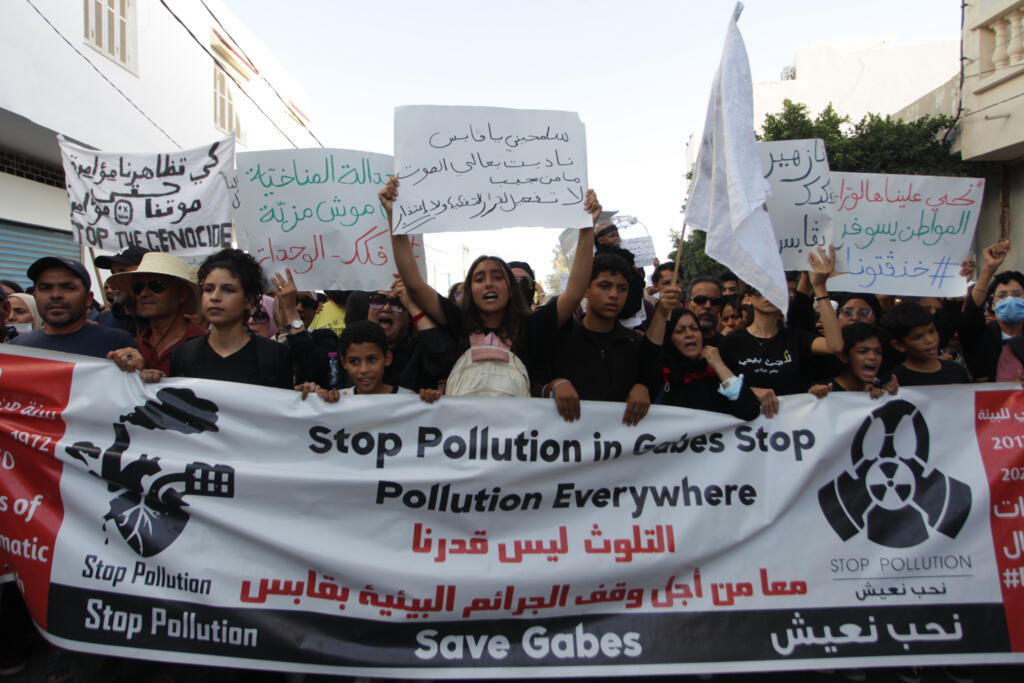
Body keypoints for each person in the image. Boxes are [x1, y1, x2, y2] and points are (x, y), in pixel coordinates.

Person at [381, 177, 602, 396]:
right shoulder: (459, 322)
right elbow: (415, 284)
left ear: (511, 290)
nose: (488, 283)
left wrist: (586, 229)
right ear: (470, 291)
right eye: (478, 279)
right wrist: (395, 218)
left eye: (497, 277)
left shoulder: (533, 326)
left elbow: (573, 293)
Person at [719, 246, 843, 417]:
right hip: (748, 436)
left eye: (776, 289)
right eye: (761, 290)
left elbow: (835, 346)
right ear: (748, 298)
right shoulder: (730, 343)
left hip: (791, 432)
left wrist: (820, 287)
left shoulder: (795, 338)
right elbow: (718, 389)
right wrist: (749, 391)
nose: (768, 295)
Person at [143, 249, 293, 388]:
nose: (215, 297)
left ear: (248, 300)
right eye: (208, 289)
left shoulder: (274, 355)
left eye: (228, 290)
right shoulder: (183, 355)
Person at [543, 252, 658, 425]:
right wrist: (554, 385)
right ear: (586, 289)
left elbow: (651, 383)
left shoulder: (636, 344)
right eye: (605, 286)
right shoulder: (559, 338)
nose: (614, 295)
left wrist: (643, 388)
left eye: (622, 288)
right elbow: (533, 388)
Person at [646, 288, 759, 419]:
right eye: (680, 331)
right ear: (669, 339)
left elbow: (750, 410)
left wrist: (719, 366)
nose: (690, 335)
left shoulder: (714, 371)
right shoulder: (661, 375)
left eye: (694, 328)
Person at [9, 257, 137, 359]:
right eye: (45, 288)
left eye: (68, 288)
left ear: (88, 299)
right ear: (35, 296)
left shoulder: (118, 345)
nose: (55, 295)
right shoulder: (16, 348)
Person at [105, 252, 206, 375]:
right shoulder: (133, 344)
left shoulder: (206, 346)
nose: (144, 293)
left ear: (182, 295)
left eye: (156, 286)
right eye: (138, 287)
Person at [960, 240, 1022, 381]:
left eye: (1017, 294)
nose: (1010, 300)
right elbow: (971, 313)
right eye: (1002, 295)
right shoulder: (980, 337)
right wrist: (989, 268)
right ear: (992, 304)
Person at [884, 301, 970, 386]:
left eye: (932, 331)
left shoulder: (956, 371)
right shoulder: (894, 381)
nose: (929, 340)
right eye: (918, 337)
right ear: (899, 345)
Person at [809, 322, 896, 399]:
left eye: (878, 352)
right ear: (843, 356)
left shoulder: (878, 390)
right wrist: (812, 398)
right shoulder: (822, 392)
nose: (872, 357)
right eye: (863, 351)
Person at [94, 245, 150, 335]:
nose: (114, 281)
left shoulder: (162, 325)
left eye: (122, 271)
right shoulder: (102, 321)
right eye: (113, 273)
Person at [685, 275, 725, 347]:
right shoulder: (673, 343)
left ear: (719, 307)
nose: (708, 306)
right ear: (687, 304)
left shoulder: (728, 347)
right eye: (700, 300)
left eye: (714, 301)